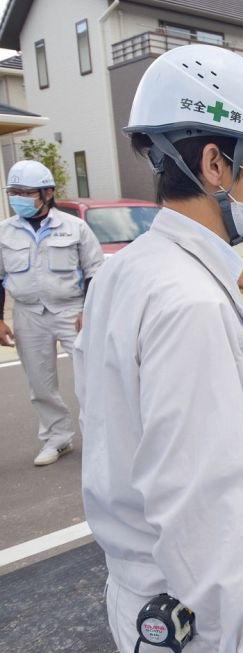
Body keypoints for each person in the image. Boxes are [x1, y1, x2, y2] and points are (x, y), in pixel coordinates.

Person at [75, 44, 243, 653]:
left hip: (157, 598)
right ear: (214, 163)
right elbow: (202, 503)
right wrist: (232, 634)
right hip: (203, 619)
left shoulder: (131, 273)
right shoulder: (189, 302)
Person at [0, 159, 103, 466]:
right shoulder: (4, 232)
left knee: (92, 377)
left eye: (25, 192)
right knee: (40, 382)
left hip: (72, 311)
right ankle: (57, 439)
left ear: (47, 193)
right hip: (28, 313)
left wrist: (89, 309)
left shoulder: (75, 227)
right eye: (13, 191)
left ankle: (101, 438)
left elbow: (94, 272)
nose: (18, 197)